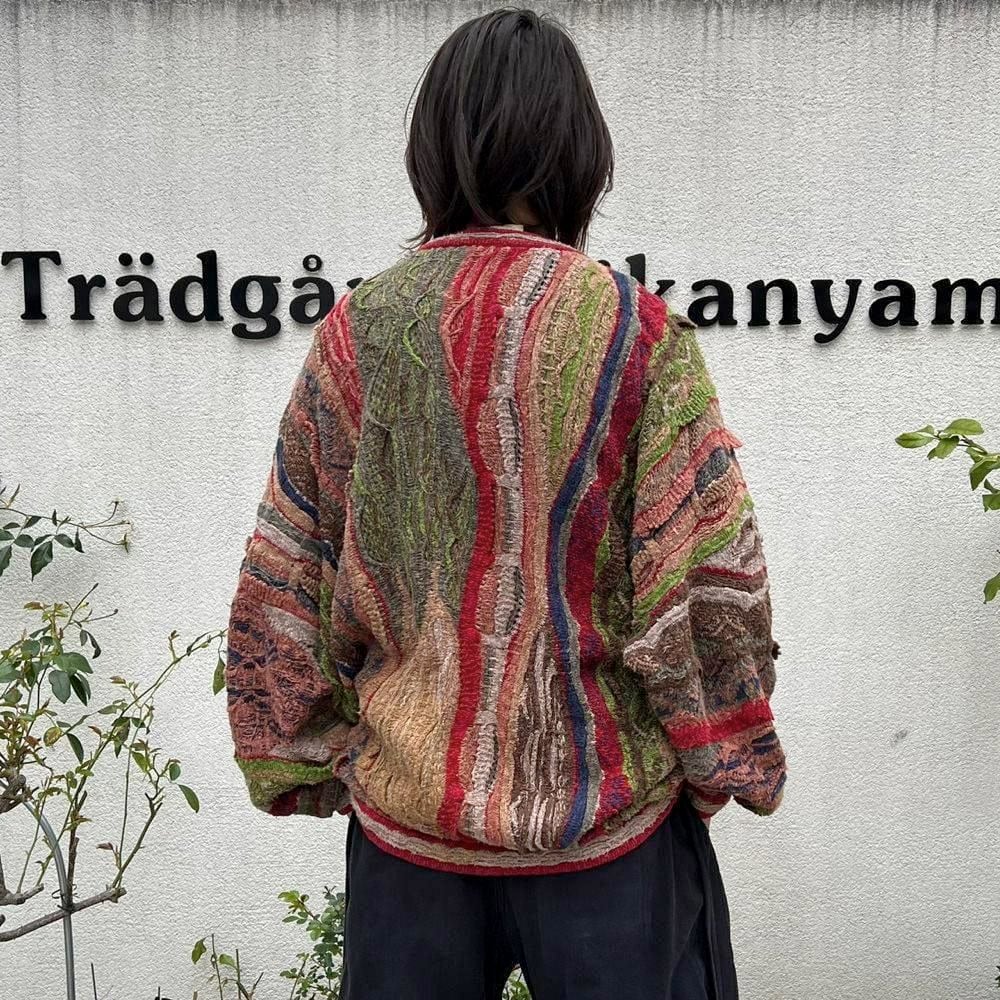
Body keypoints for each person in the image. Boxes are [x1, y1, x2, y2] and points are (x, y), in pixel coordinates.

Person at [223, 8, 787, 999]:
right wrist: (723, 755)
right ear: (581, 153)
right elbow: (702, 581)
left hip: (411, 837)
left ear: (431, 147)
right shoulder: (636, 332)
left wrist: (300, 750)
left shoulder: (360, 330)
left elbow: (292, 562)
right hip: (608, 832)